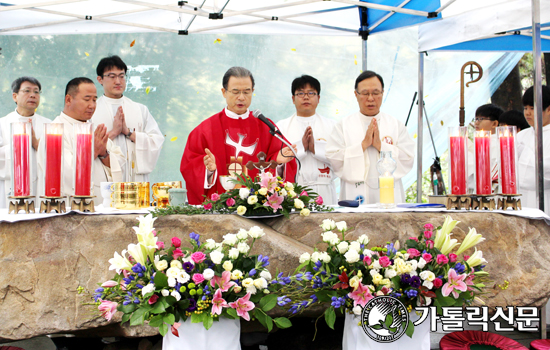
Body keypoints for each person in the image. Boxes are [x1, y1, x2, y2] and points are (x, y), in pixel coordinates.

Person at [180, 66, 297, 205]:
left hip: (257, 207)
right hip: (220, 210)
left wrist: (278, 162)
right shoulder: (205, 130)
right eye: (235, 91)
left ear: (253, 91)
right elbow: (189, 167)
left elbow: (284, 166)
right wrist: (208, 171)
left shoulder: (266, 127)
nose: (241, 97)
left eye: (247, 92)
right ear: (224, 92)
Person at [326, 70, 415, 204]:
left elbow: (407, 158)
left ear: (382, 93)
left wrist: (381, 146)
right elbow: (334, 158)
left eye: (375, 93)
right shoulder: (343, 126)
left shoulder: (395, 125)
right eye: (365, 93)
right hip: (355, 194)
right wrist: (363, 145)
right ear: (356, 94)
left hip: (389, 193)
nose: (371, 98)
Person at [37, 77, 125, 205]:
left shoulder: (95, 130)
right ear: (68, 99)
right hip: (70, 208)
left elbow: (121, 164)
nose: (92, 105)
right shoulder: (54, 131)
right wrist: (92, 151)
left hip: (103, 206)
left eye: (95, 100)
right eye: (87, 99)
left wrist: (104, 153)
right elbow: (64, 174)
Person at [92, 55, 164, 182]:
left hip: (135, 180)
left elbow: (156, 142)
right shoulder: (92, 111)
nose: (118, 81)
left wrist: (128, 132)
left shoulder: (140, 109)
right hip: (104, 178)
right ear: (100, 79)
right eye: (112, 76)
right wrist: (114, 132)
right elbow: (86, 149)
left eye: (121, 76)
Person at [276, 75, 337, 205]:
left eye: (311, 93)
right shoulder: (281, 127)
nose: (306, 97)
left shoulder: (332, 126)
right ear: (293, 99)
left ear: (318, 98)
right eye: (300, 93)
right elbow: (277, 164)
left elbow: (340, 160)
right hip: (294, 189)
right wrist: (301, 147)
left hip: (324, 188)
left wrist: (316, 149)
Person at [0, 77, 51, 208]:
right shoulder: (2, 124)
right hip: (9, 191)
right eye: (27, 91)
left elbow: (57, 159)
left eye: (36, 92)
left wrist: (36, 144)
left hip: (41, 191)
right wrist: (17, 146)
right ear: (15, 96)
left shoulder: (49, 125)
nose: (33, 95)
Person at [516, 85, 550, 216]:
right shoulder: (520, 135)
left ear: (549, 110)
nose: (527, 113)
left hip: (546, 199)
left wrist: (524, 154)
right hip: (520, 198)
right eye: (525, 108)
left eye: (532, 108)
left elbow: (545, 171)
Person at [468, 104, 504, 193]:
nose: (476, 122)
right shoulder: (480, 141)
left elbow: (489, 173)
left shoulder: (497, 143)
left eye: (481, 119)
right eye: (476, 119)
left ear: (495, 123)